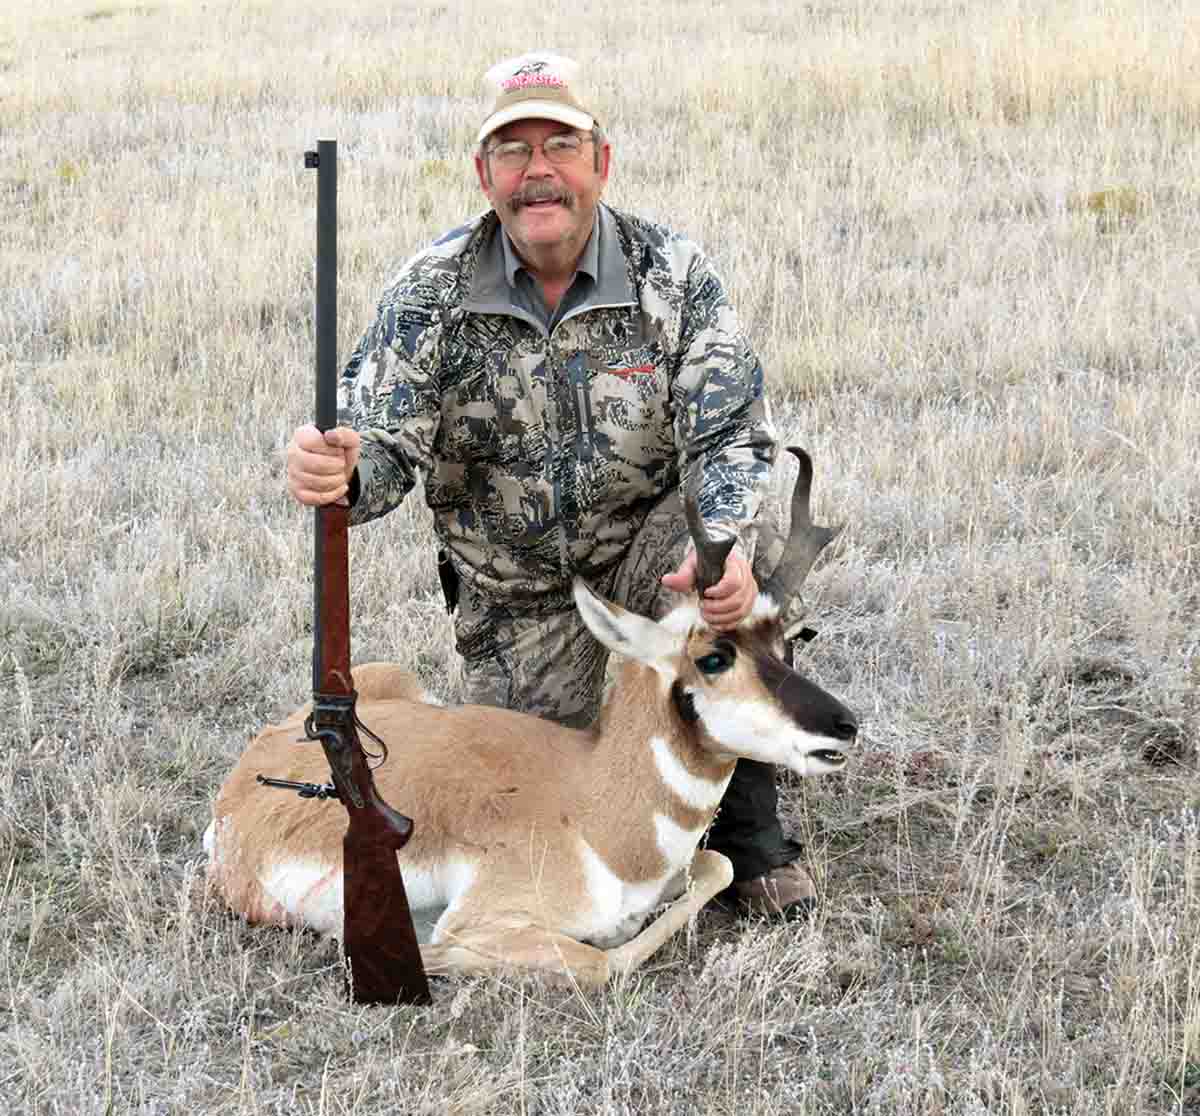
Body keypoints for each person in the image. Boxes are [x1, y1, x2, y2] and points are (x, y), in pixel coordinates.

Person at [286, 51, 814, 918]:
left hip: (654, 563)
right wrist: (338, 474)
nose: (538, 172)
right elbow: (380, 455)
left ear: (599, 161)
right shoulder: (430, 292)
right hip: (517, 600)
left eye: (559, 145)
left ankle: (750, 835)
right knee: (546, 796)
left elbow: (728, 435)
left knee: (724, 583)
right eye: (512, 150)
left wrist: (720, 554)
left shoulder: (673, 273)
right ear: (483, 173)